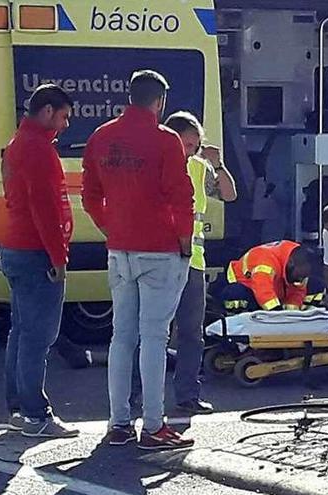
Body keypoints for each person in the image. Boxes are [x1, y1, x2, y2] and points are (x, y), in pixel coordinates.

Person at [82, 70, 195, 450]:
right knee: (153, 339)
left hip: (120, 249)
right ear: (160, 101)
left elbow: (90, 194)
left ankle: (118, 423)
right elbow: (181, 197)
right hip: (160, 250)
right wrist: (185, 242)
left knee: (121, 338)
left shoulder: (101, 136)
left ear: (129, 95)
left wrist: (110, 227)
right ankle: (153, 425)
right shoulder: (166, 140)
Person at [0, 84, 78, 438]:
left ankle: (19, 408)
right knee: (38, 336)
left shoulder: (18, 144)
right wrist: (58, 256)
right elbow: (45, 208)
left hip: (16, 247)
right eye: (62, 117)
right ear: (47, 111)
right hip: (37, 252)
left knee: (21, 332)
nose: (64, 125)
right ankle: (36, 414)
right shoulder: (38, 150)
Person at [164, 111, 237, 415]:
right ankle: (136, 396)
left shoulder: (198, 167)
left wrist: (217, 164)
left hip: (192, 261)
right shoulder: (158, 162)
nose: (192, 150)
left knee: (192, 332)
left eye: (195, 145)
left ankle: (187, 395)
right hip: (160, 258)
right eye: (188, 144)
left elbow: (231, 195)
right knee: (153, 332)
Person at [221, 240, 313, 312]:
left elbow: (296, 294)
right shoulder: (266, 262)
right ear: (291, 263)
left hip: (273, 288)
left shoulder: (299, 269)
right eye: (299, 276)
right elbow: (264, 292)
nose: (301, 279)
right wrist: (278, 315)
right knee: (236, 294)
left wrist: (292, 315)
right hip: (242, 284)